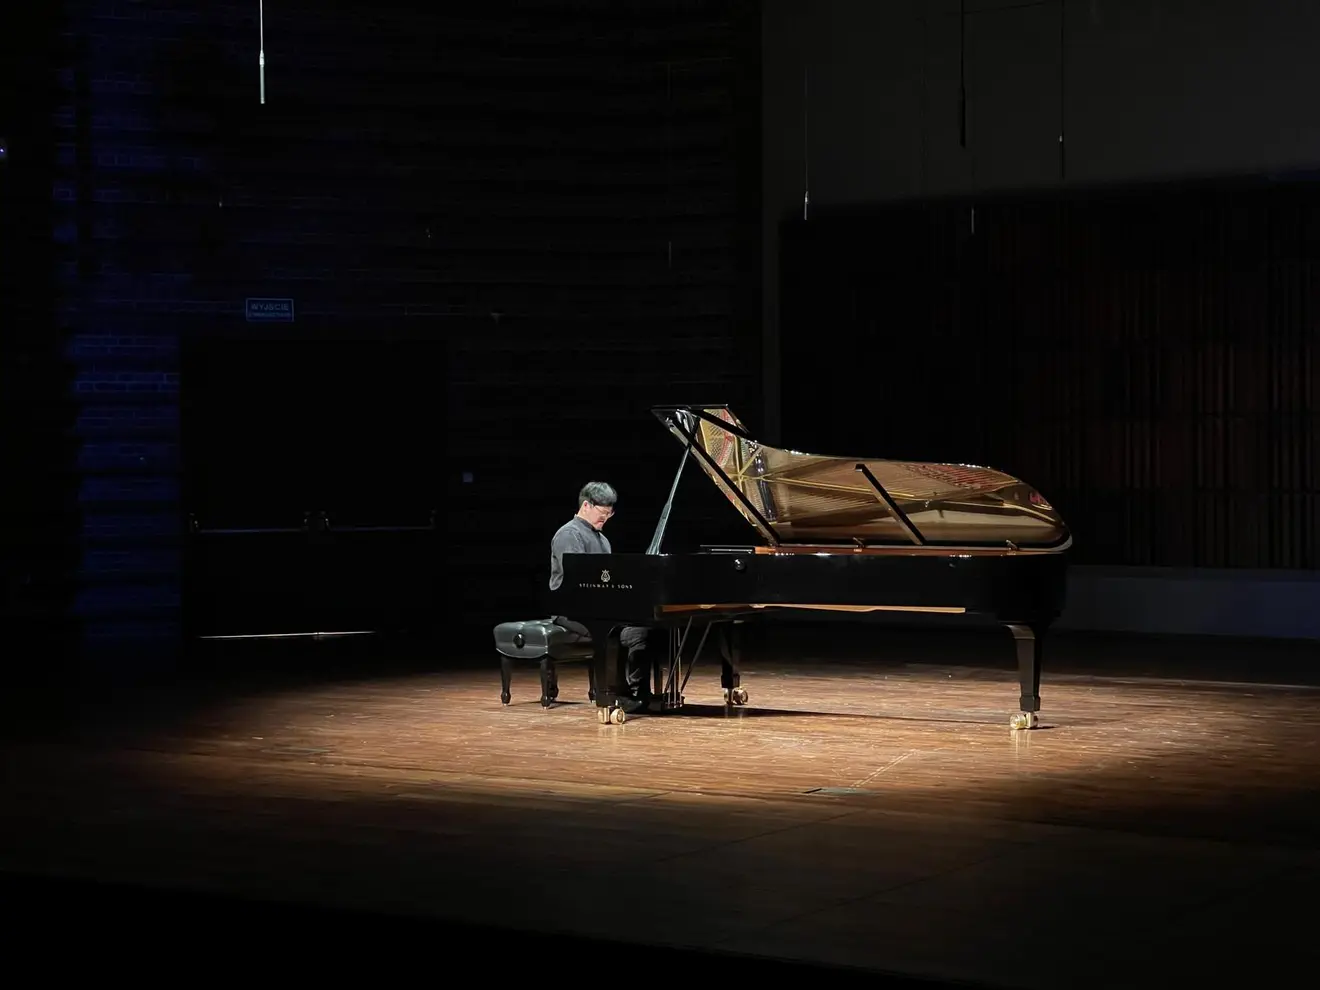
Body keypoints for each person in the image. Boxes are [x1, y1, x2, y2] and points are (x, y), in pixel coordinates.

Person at [549, 481, 654, 713]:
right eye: (603, 512)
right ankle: (614, 694)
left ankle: (638, 692)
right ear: (586, 505)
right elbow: (576, 582)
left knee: (644, 627)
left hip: (597, 607)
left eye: (609, 513)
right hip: (571, 610)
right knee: (620, 632)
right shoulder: (569, 534)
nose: (606, 518)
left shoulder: (602, 539)